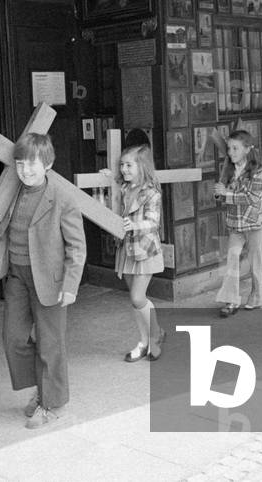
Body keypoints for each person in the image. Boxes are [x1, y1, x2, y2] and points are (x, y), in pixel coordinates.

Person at [0, 133, 86, 429]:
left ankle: (53, 403)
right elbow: (8, 226)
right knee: (13, 339)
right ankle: (42, 390)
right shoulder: (13, 191)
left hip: (50, 281)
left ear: (48, 164)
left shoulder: (62, 197)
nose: (25, 170)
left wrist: (70, 285)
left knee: (50, 344)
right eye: (19, 164)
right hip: (17, 276)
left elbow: (77, 246)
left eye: (32, 164)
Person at [104, 144, 165, 362]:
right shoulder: (124, 188)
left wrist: (134, 225)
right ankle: (145, 340)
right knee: (135, 300)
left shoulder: (151, 192)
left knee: (137, 297)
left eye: (129, 165)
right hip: (126, 250)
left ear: (142, 166)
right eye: (122, 165)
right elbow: (115, 185)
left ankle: (155, 335)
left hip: (144, 250)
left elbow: (154, 222)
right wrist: (108, 177)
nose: (124, 169)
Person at [214, 130, 262, 317]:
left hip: (254, 225)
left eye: (235, 148)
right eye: (229, 148)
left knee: (255, 263)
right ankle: (231, 299)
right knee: (232, 258)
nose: (231, 152)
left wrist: (227, 193)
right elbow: (222, 198)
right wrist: (219, 193)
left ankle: (257, 296)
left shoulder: (258, 171)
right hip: (235, 225)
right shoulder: (228, 170)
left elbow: (253, 198)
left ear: (247, 149)